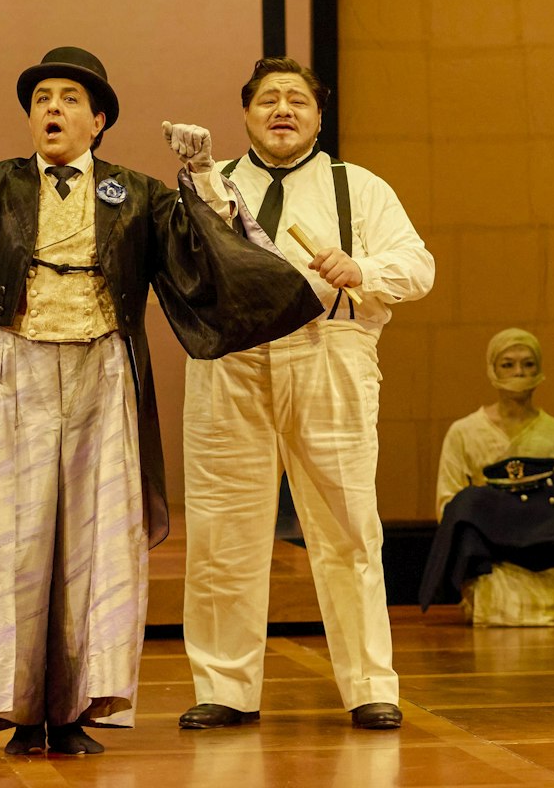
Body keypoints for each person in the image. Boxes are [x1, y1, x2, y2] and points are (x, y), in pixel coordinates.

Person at [0, 47, 323, 756]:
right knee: (11, 538)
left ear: (99, 120)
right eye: (41, 99)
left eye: (69, 99)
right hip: (12, 373)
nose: (52, 109)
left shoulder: (138, 194)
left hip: (104, 372)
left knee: (97, 538)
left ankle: (80, 707)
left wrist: (203, 175)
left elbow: (220, 255)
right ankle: (15, 705)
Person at [178, 56, 434, 732]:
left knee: (348, 527)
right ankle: (225, 687)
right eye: (268, 99)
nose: (282, 109)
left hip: (330, 353)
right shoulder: (211, 184)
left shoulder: (360, 188)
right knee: (222, 532)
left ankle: (370, 685)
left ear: (319, 117)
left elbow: (418, 266)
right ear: (246, 113)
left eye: (297, 99)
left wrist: (363, 268)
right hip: (229, 363)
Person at [426, 327, 554, 627]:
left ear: (540, 368)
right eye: (507, 364)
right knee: (493, 603)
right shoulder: (464, 433)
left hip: (546, 555)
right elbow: (449, 503)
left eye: (528, 364)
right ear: (492, 369)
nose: (519, 372)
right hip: (492, 557)